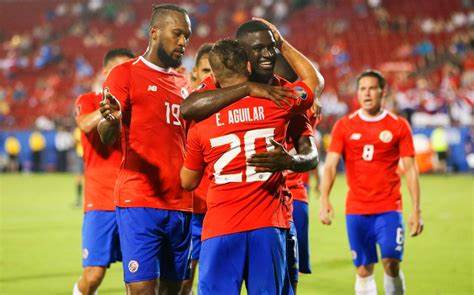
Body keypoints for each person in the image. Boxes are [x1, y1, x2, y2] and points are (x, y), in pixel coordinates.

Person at [180, 19, 324, 294]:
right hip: (267, 224)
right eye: (260, 49)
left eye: (273, 47)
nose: (269, 54)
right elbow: (315, 83)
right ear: (245, 59)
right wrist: (249, 89)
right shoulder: (282, 99)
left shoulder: (206, 113)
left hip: (232, 222)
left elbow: (186, 113)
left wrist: (292, 162)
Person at [97, 4, 194, 294]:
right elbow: (106, 134)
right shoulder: (125, 75)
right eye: (177, 34)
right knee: (141, 290)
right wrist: (111, 120)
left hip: (181, 203)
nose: (183, 42)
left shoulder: (183, 83)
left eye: (186, 36)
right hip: (139, 200)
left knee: (174, 290)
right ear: (154, 32)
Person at [319, 70, 424, 295]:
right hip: (356, 210)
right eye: (362, 89)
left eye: (372, 88)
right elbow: (329, 166)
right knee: (364, 269)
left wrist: (416, 210)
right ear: (357, 93)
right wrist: (324, 199)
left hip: (388, 208)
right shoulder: (344, 126)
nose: (367, 93)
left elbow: (411, 170)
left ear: (382, 92)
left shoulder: (399, 126)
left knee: (391, 263)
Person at [72, 48, 134, 295]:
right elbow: (85, 124)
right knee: (94, 274)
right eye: (120, 69)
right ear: (106, 72)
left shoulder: (138, 106)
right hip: (100, 204)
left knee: (140, 278)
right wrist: (112, 109)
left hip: (135, 202)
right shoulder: (88, 99)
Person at [181, 42, 213, 295]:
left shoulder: (234, 109)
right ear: (193, 75)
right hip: (189, 208)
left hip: (221, 209)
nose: (210, 77)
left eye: (215, 70)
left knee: (216, 282)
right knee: (182, 283)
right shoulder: (182, 111)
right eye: (205, 71)